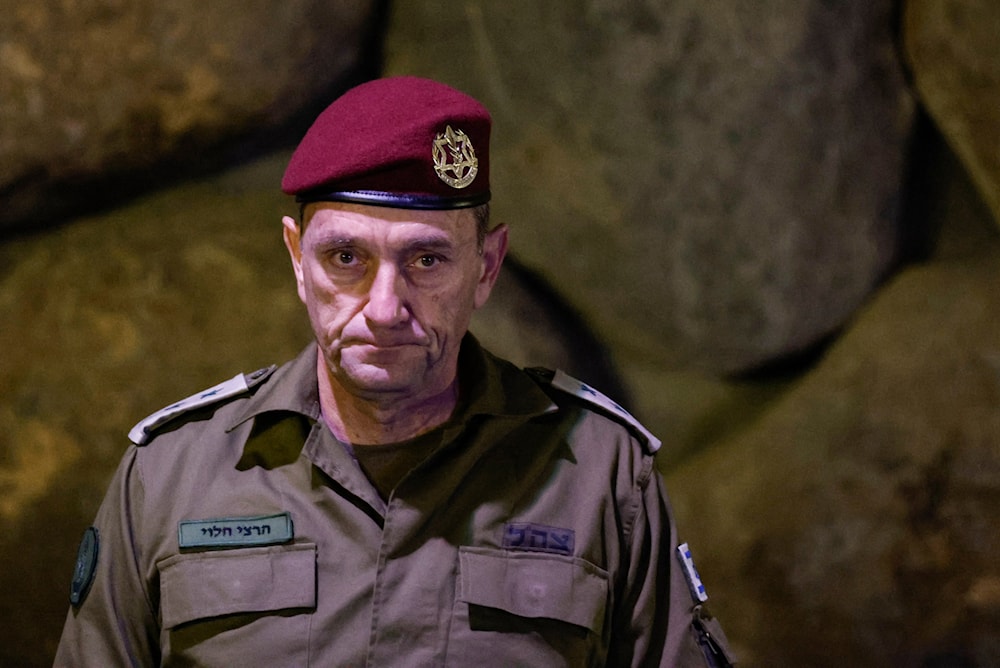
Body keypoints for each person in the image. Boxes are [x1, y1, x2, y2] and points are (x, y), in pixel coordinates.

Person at [54, 76, 734, 667]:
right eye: (345, 258)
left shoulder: (599, 476)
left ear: (486, 267)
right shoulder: (173, 474)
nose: (384, 308)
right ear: (297, 259)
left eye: (427, 261)